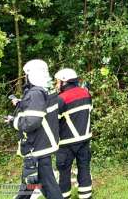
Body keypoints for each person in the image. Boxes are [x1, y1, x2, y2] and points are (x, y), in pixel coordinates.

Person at [5, 59, 63, 199]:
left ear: (31, 75)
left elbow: (31, 122)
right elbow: (38, 109)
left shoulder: (35, 93)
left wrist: (14, 121)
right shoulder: (46, 89)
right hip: (42, 144)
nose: (25, 77)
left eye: (26, 74)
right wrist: (22, 103)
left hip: (37, 147)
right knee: (30, 183)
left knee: (46, 187)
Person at [54, 68, 93, 199]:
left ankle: (64, 196)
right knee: (84, 169)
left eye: (58, 82)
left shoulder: (61, 99)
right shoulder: (86, 94)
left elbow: (54, 122)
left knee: (64, 173)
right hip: (84, 140)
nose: (56, 84)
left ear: (64, 81)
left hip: (66, 143)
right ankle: (86, 196)